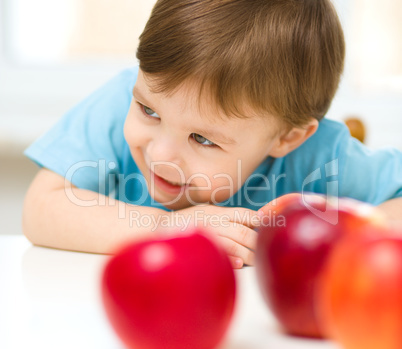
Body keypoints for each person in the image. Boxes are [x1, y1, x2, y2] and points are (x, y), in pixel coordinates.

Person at [23, 0, 402, 268]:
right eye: (149, 111)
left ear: (287, 139)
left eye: (203, 139)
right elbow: (40, 209)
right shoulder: (116, 101)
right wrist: (167, 226)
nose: (161, 154)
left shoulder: (319, 157)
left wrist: (336, 232)